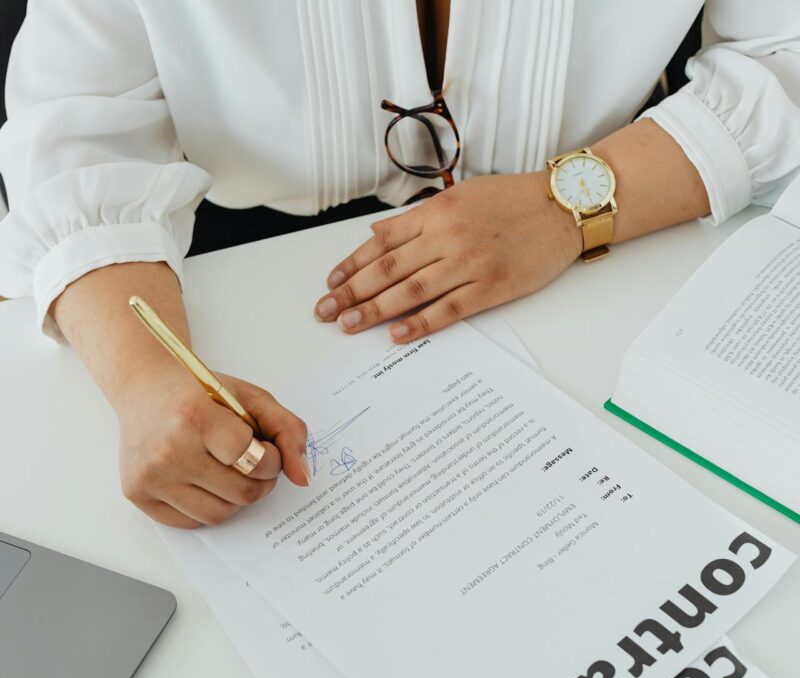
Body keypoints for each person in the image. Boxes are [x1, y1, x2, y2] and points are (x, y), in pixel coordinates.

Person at [0, 0, 798, 529]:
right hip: (222, 269)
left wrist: (567, 205)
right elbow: (75, 135)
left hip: (616, 238)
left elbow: (785, 51)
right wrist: (146, 381)